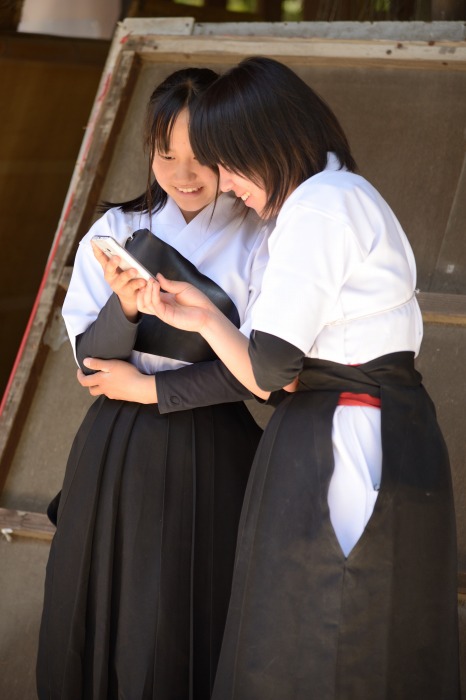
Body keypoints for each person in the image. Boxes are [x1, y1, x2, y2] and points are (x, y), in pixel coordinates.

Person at [137, 57, 460, 699]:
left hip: (345, 431)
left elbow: (268, 369)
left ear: (265, 142)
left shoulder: (318, 208)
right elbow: (277, 366)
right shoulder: (345, 195)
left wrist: (204, 324)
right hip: (363, 423)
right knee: (355, 626)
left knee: (323, 627)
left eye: (227, 163)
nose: (226, 185)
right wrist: (202, 312)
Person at [36, 67, 272, 700]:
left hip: (209, 441)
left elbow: (264, 373)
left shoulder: (263, 238)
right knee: (90, 597)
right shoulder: (115, 230)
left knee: (178, 614)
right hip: (114, 442)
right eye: (167, 155)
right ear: (150, 151)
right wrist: (128, 308)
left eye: (203, 158)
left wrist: (155, 389)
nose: (184, 174)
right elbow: (91, 364)